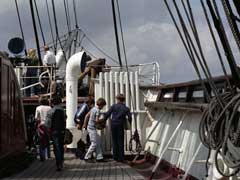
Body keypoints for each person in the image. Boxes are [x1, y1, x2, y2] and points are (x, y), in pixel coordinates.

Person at [103, 94, 132, 162]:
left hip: (113, 125)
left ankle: (115, 157)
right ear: (124, 100)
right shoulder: (126, 108)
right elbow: (130, 117)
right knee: (120, 141)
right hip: (120, 125)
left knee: (114, 141)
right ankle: (121, 158)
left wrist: (103, 121)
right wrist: (129, 124)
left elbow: (107, 114)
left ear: (117, 99)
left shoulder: (113, 106)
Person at [46, 95, 66, 171]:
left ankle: (59, 163)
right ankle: (61, 160)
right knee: (61, 146)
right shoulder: (62, 110)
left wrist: (48, 130)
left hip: (54, 131)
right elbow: (65, 119)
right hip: (62, 130)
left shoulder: (51, 111)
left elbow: (48, 123)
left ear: (52, 103)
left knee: (56, 147)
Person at [83, 98, 106, 162]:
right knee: (94, 143)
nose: (103, 107)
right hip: (92, 128)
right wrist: (103, 119)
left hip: (90, 127)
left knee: (98, 142)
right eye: (103, 106)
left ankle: (99, 157)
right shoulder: (97, 111)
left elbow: (87, 116)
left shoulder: (93, 109)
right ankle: (87, 157)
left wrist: (85, 124)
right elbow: (96, 121)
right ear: (101, 105)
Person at [35, 96, 52, 161]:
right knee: (48, 140)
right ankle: (48, 155)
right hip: (48, 126)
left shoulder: (38, 108)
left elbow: (36, 118)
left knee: (41, 141)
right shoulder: (49, 107)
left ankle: (42, 156)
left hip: (41, 125)